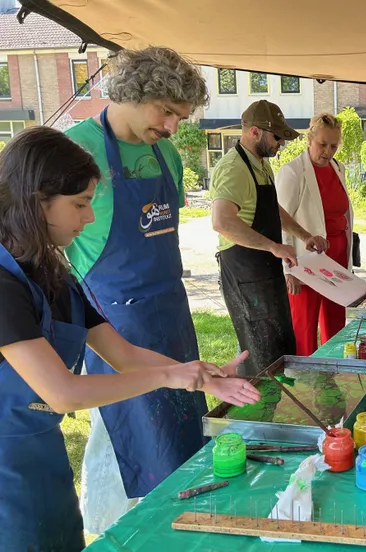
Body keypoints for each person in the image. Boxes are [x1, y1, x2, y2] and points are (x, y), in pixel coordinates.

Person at [0, 127, 259, 552]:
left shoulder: (55, 274)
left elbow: (121, 354)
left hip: (45, 457)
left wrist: (195, 376)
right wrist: (165, 377)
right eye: (80, 204)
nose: (89, 217)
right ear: (35, 201)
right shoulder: (3, 284)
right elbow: (63, 393)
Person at [63, 47, 229, 532]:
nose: (175, 126)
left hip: (170, 312)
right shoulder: (77, 150)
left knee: (180, 431)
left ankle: (174, 525)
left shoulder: (168, 154)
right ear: (134, 94)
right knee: (121, 440)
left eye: (181, 116)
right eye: (168, 112)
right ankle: (117, 532)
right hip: (112, 321)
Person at [211, 100, 329, 374]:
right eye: (277, 137)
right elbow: (223, 221)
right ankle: (257, 413)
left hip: (265, 271)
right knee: (260, 358)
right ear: (255, 132)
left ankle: (279, 410)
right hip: (245, 275)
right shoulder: (233, 169)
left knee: (280, 351)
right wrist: (273, 246)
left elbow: (273, 208)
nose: (281, 144)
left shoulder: (260, 165)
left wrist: (303, 234)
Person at [275, 113, 354, 356]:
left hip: (338, 258)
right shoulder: (292, 172)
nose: (328, 151)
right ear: (309, 139)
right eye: (322, 144)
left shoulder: (337, 167)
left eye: (333, 146)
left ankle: (333, 374)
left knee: (335, 322)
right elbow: (280, 221)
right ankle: (305, 380)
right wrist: (289, 270)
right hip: (305, 263)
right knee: (305, 326)